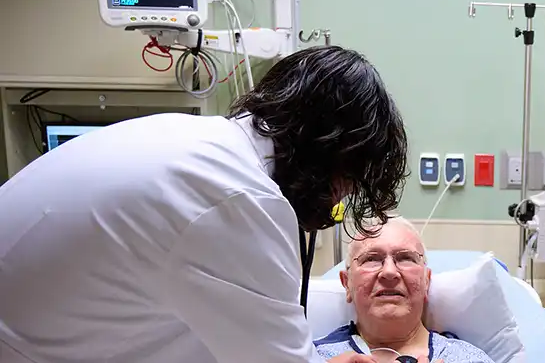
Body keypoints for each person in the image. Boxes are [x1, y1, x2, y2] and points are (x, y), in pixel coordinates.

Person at [0, 46, 410, 363]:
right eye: (347, 183)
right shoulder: (240, 202)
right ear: (328, 152)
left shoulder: (191, 138)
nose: (337, 202)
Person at [316, 217, 494, 363]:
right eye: (371, 259)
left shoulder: (468, 359)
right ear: (347, 283)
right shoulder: (312, 357)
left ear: (426, 281)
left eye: (405, 258)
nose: (389, 272)